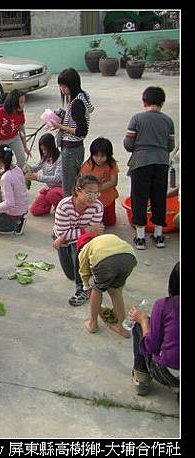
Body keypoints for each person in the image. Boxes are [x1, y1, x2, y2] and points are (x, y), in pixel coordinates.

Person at [124, 86, 175, 250]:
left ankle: (140, 238)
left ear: (144, 101)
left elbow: (128, 144)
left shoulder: (136, 119)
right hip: (161, 163)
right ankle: (159, 235)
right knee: (159, 197)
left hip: (141, 163)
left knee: (139, 198)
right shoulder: (168, 121)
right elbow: (170, 145)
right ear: (162, 103)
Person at [53, 175, 104, 306]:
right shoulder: (64, 206)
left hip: (78, 241)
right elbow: (63, 233)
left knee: (79, 245)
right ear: (77, 190)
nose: (92, 197)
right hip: (63, 240)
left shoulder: (98, 207)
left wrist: (83, 233)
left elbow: (93, 233)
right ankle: (85, 273)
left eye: (96, 193)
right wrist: (86, 230)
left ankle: (82, 289)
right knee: (71, 274)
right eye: (88, 192)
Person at [129, 262, 179, 397]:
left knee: (139, 325)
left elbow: (150, 346)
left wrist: (143, 321)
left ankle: (142, 377)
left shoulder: (164, 305)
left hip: (168, 371)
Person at [78, 232, 137, 338]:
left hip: (105, 260)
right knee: (115, 290)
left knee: (97, 288)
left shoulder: (84, 250)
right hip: (129, 257)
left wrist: (87, 288)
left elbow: (84, 273)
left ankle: (93, 324)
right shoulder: (106, 238)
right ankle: (122, 328)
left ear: (80, 247)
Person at [49, 68, 95, 197]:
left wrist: (60, 126)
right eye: (60, 86)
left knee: (68, 186)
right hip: (76, 148)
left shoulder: (76, 104)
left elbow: (81, 131)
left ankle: (68, 212)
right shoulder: (83, 95)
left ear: (72, 85)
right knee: (74, 182)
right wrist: (62, 116)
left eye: (64, 86)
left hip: (71, 150)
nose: (62, 89)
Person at [0, 89, 32, 169]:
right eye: (21, 102)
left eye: (24, 102)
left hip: (14, 138)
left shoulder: (20, 113)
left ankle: (18, 177)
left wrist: (24, 146)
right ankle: (1, 179)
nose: (23, 105)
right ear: (14, 102)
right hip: (0, 140)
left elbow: (21, 131)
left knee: (22, 161)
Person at [79, 137, 119, 227]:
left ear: (108, 155)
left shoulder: (111, 164)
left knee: (110, 223)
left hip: (108, 199)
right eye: (96, 155)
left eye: (102, 156)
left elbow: (114, 182)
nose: (99, 159)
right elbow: (82, 183)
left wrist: (97, 188)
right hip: (92, 200)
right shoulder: (87, 165)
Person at [28, 133, 63, 216]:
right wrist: (25, 169)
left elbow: (57, 179)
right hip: (49, 189)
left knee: (52, 194)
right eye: (42, 150)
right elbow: (36, 167)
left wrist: (38, 177)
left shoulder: (60, 159)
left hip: (59, 188)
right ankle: (49, 205)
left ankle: (61, 210)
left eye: (45, 150)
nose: (44, 152)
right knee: (34, 210)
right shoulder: (45, 157)